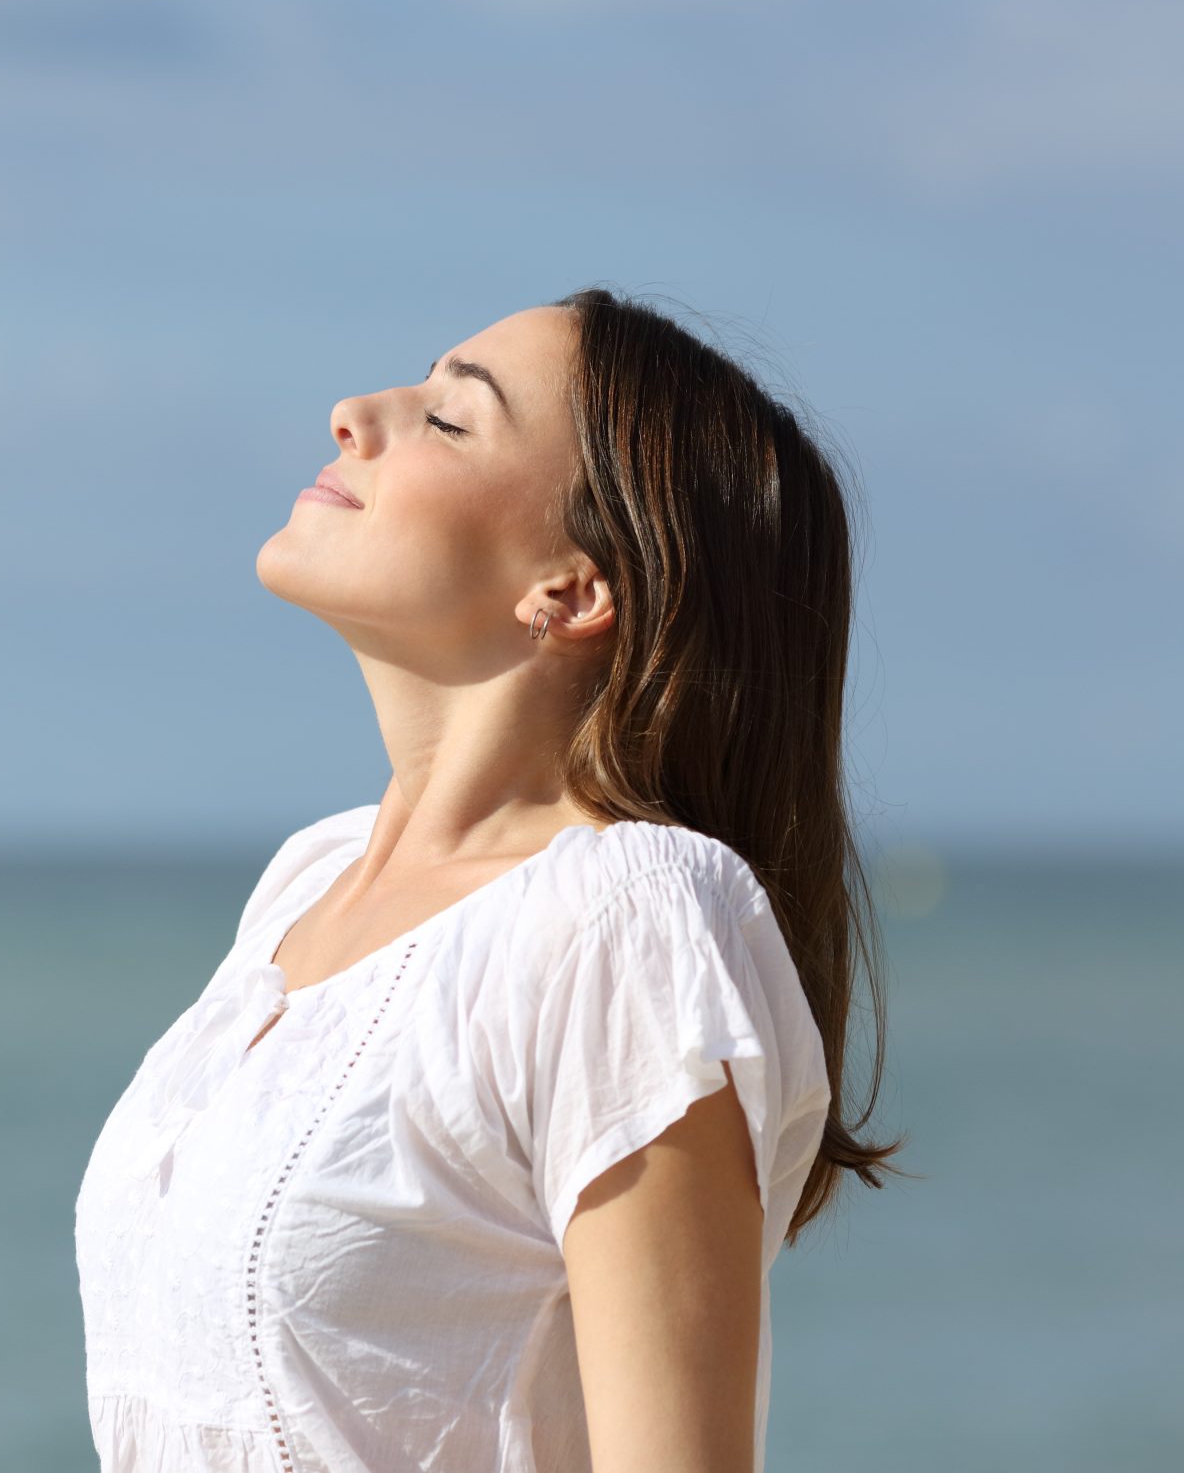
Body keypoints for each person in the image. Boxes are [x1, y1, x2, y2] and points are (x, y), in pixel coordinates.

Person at [73, 288, 909, 1473]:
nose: (355, 414)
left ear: (573, 587)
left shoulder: (624, 920)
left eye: (450, 419)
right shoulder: (308, 880)